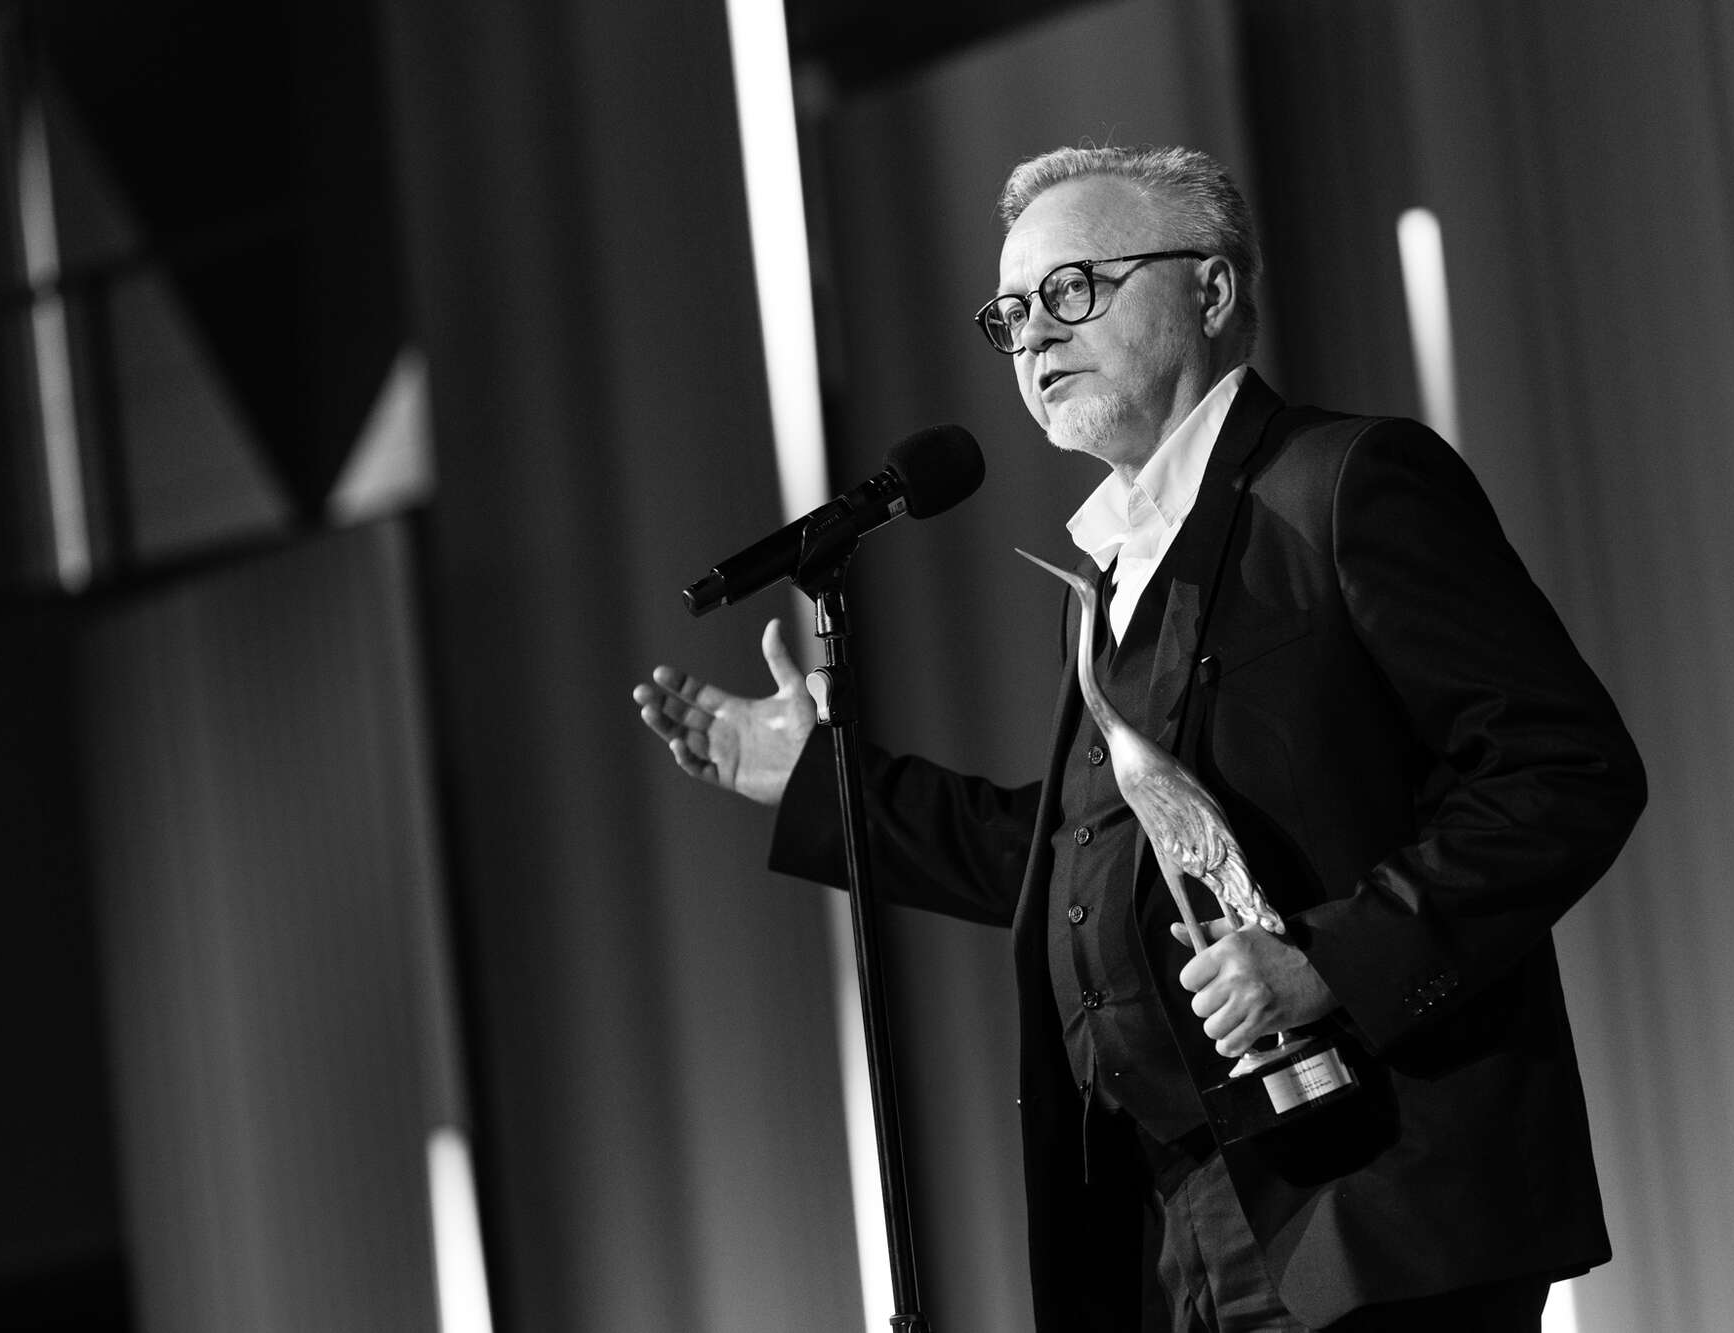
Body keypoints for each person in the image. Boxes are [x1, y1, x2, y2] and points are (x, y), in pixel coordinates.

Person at [634, 144, 1645, 1332]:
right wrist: (824, 788)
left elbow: (1560, 769)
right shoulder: (1107, 575)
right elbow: (1084, 859)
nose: (1034, 335)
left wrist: (1332, 960)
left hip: (1372, 1198)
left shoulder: (1344, 484)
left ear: (1209, 291)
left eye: (1072, 288)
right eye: (1010, 313)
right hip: (1178, 1225)